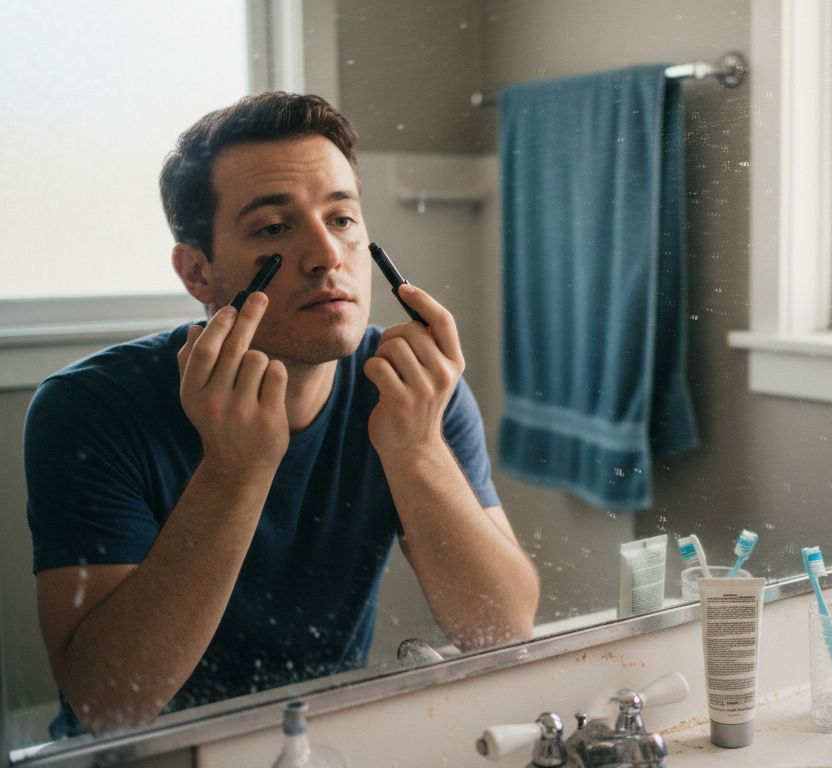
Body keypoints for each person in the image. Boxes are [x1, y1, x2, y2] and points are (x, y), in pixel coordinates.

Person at [24, 92, 540, 738]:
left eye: (343, 219)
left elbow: (503, 632)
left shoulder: (412, 388)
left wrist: (418, 450)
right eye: (274, 228)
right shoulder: (89, 410)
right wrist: (233, 471)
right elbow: (108, 706)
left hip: (314, 746)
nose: (327, 255)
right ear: (197, 271)